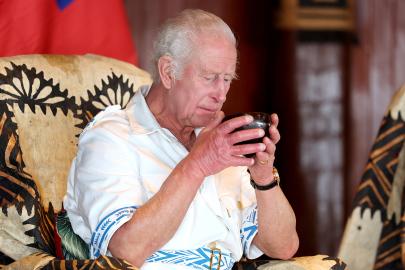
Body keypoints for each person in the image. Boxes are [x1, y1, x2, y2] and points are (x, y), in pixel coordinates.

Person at [63, 9, 299, 270]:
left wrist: (263, 177)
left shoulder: (218, 142)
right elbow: (126, 252)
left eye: (227, 79)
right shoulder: (111, 138)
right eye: (209, 78)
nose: (220, 94)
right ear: (167, 72)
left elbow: (284, 247)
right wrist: (197, 165)